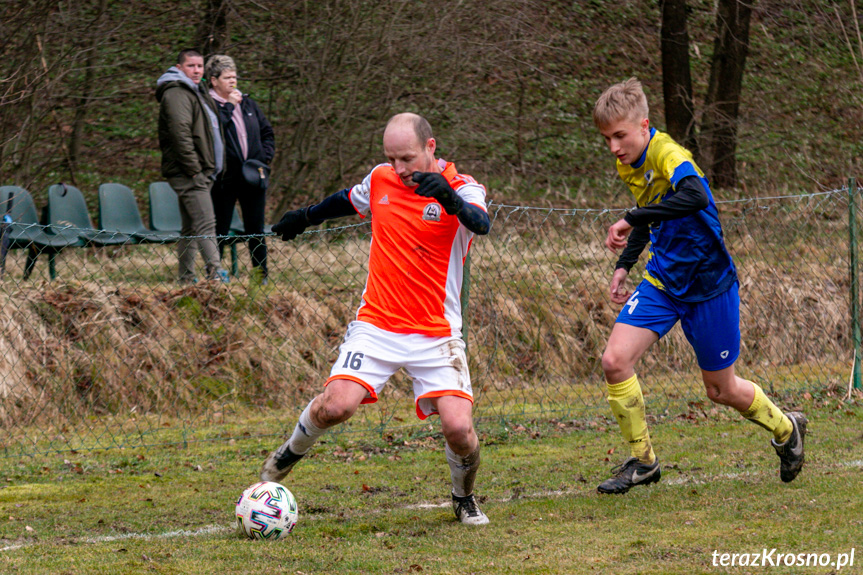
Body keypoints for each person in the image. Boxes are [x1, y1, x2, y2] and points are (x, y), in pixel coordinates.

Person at [260, 113, 492, 525]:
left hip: (437, 333)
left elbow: (481, 223)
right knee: (335, 407)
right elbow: (348, 199)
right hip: (377, 324)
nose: (398, 169)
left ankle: (464, 496)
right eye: (391, 158)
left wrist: (449, 200)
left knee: (459, 428)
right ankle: (286, 454)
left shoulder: (464, 186)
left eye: (407, 158)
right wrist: (304, 216)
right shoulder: (383, 178)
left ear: (431, 147)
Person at [591, 78, 806, 494]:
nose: (614, 147)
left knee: (720, 390)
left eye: (620, 136)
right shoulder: (627, 163)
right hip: (663, 280)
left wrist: (631, 219)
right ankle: (645, 461)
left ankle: (786, 427)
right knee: (615, 361)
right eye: (606, 139)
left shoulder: (668, 152)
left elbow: (694, 196)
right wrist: (625, 263)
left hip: (709, 284)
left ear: (643, 125)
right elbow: (650, 209)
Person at [156, 48, 229, 283]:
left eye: (200, 66)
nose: (196, 70)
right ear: (179, 68)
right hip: (189, 173)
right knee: (207, 224)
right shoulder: (177, 93)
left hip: (201, 172)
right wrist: (195, 170)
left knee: (191, 228)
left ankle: (186, 278)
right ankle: (217, 276)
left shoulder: (195, 91)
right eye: (191, 66)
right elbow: (181, 134)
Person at [205, 55, 275, 283]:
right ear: (214, 80)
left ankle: (260, 276)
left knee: (255, 228)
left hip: (254, 175)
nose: (232, 82)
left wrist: (264, 158)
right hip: (225, 177)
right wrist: (229, 106)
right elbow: (215, 131)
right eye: (227, 78)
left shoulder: (248, 103)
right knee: (220, 228)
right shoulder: (209, 105)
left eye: (234, 77)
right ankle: (215, 275)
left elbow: (267, 132)